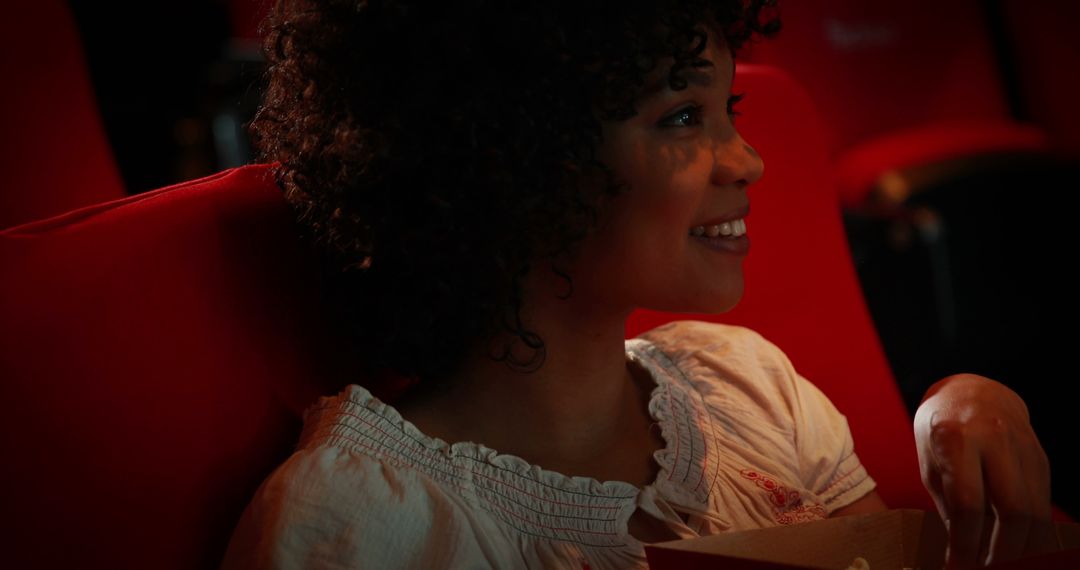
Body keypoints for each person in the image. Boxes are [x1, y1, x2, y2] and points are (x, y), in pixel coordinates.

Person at [223, 1, 1053, 568]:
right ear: (513, 159)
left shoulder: (749, 385)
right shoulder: (362, 522)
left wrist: (963, 400)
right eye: (684, 118)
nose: (750, 160)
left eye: (727, 107)